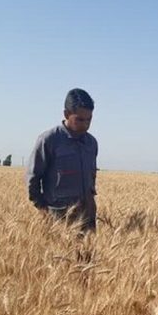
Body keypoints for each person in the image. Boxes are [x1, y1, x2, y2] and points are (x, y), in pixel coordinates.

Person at [26, 88, 98, 232]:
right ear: (66, 114)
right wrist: (44, 211)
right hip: (58, 220)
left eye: (89, 119)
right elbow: (33, 179)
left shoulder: (91, 143)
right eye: (80, 119)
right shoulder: (49, 140)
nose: (85, 124)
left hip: (87, 219)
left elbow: (91, 179)